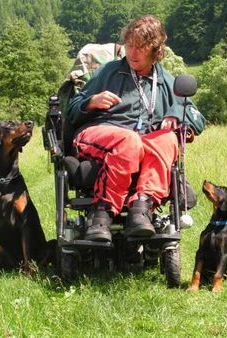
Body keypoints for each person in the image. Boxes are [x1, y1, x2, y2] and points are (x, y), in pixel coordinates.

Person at [67, 15, 205, 242]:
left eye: (141, 47)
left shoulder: (164, 81)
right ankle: (103, 213)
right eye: (130, 45)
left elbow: (196, 116)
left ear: (156, 50)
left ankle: (140, 209)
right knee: (129, 140)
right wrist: (91, 101)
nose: (133, 53)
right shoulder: (110, 71)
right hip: (100, 131)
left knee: (168, 139)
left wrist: (174, 116)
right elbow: (71, 108)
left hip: (141, 142)